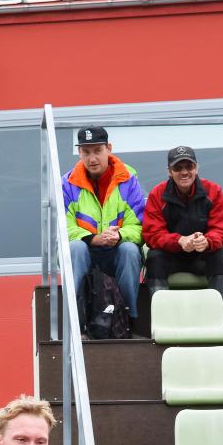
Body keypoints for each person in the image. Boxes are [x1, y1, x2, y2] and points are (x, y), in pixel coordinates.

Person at [59, 127, 147, 320]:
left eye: (97, 150)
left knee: (130, 251)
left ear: (109, 148)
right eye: (86, 152)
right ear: (79, 152)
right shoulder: (67, 184)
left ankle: (128, 320)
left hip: (116, 252)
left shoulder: (129, 180)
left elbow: (140, 226)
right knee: (75, 248)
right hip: (86, 253)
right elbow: (62, 228)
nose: (92, 158)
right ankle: (77, 322)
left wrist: (119, 235)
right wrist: (94, 239)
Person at [141, 146, 223, 300]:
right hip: (170, 256)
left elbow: (222, 229)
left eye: (189, 166)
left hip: (202, 256)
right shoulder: (157, 194)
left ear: (196, 168)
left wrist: (207, 241)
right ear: (169, 171)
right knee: (154, 259)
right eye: (177, 168)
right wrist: (179, 240)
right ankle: (161, 311)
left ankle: (217, 311)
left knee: (221, 257)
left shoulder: (214, 191)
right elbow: (152, 234)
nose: (184, 172)